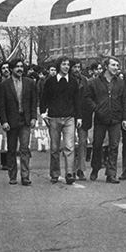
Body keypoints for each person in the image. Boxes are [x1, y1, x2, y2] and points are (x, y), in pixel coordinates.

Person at [86, 56, 126, 183]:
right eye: (113, 65)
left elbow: (124, 101)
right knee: (97, 145)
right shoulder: (94, 82)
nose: (116, 68)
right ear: (106, 66)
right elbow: (88, 98)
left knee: (114, 146)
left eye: (117, 65)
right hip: (100, 118)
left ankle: (111, 173)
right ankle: (95, 168)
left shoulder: (120, 82)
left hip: (116, 118)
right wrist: (97, 109)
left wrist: (125, 118)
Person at [40, 55, 82, 185]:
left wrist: (79, 117)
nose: (66, 67)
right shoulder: (50, 81)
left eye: (68, 65)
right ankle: (54, 173)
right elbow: (43, 98)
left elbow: (77, 100)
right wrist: (42, 113)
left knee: (69, 147)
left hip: (69, 118)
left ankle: (69, 173)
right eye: (64, 64)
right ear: (59, 66)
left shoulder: (73, 82)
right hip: (54, 118)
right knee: (54, 147)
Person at [0, 58, 37, 185]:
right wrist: (4, 121)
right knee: (12, 149)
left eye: (21, 66)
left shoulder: (30, 83)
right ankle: (12, 176)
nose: (20, 69)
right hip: (11, 121)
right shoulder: (4, 85)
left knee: (25, 149)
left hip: (25, 120)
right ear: (11, 69)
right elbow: (1, 105)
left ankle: (25, 176)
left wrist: (33, 118)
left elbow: (33, 102)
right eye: (17, 67)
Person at [71, 59, 93, 181]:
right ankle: (71, 169)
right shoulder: (67, 79)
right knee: (71, 144)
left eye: (78, 67)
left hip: (83, 115)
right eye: (74, 67)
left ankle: (81, 169)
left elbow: (88, 97)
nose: (77, 69)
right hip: (70, 114)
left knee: (83, 143)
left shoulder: (85, 80)